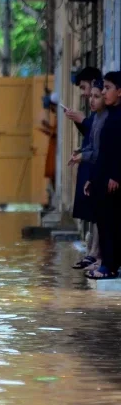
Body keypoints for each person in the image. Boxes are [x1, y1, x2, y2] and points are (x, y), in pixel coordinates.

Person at [84, 72, 121, 280]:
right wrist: (92, 178)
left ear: (120, 91)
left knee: (110, 224)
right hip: (101, 177)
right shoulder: (110, 115)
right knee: (104, 222)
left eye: (107, 88)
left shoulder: (118, 116)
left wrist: (116, 175)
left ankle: (109, 266)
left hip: (111, 180)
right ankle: (107, 263)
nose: (104, 92)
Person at [68, 77, 106, 271]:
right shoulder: (98, 118)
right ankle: (95, 255)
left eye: (96, 95)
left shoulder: (109, 118)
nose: (90, 99)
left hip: (108, 175)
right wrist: (81, 154)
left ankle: (102, 259)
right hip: (98, 173)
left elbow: (106, 151)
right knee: (98, 215)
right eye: (90, 95)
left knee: (105, 218)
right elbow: (93, 146)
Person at [38, 92, 59, 210]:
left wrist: (47, 129)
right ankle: (53, 200)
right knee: (51, 175)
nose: (51, 110)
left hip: (55, 150)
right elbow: (54, 132)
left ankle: (55, 201)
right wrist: (47, 128)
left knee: (53, 173)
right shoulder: (57, 116)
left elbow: (57, 133)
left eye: (51, 107)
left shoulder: (59, 116)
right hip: (53, 150)